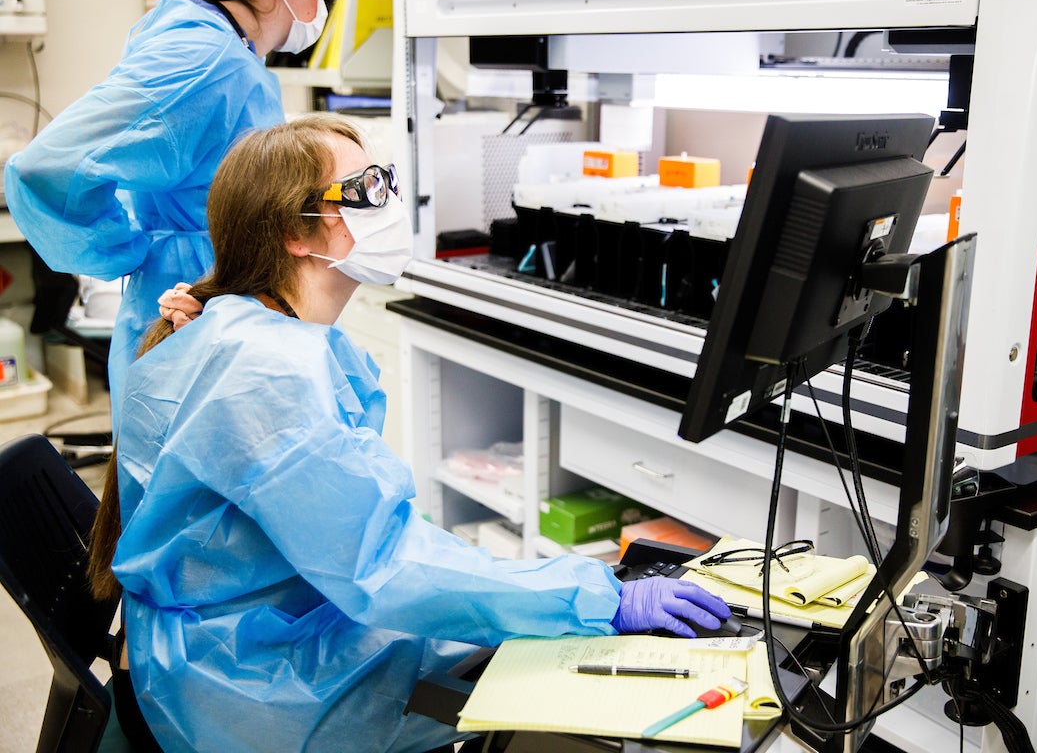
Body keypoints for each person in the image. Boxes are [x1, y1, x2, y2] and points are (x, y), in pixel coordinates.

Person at [87, 114, 731, 753]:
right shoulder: (268, 370)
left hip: (246, 628)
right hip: (248, 681)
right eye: (364, 191)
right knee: (542, 673)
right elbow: (382, 567)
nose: (389, 206)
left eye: (387, 182)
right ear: (293, 232)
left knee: (505, 630)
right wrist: (597, 599)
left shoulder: (244, 326)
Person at [2, 0, 330, 419]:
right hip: (188, 312)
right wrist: (126, 250)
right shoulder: (205, 59)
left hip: (216, 302)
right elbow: (46, 169)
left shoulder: (224, 50)